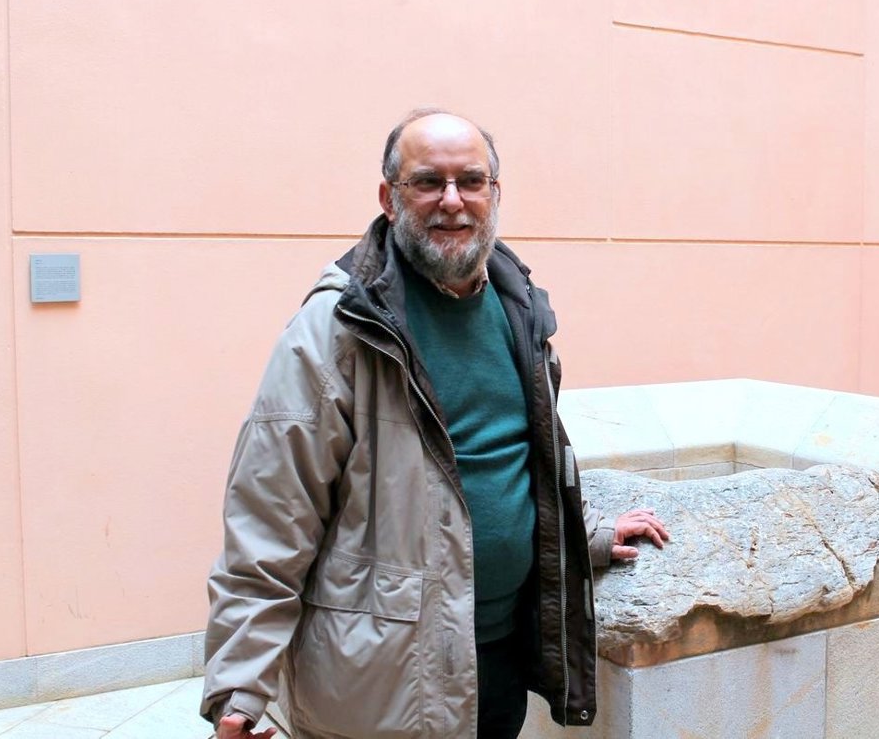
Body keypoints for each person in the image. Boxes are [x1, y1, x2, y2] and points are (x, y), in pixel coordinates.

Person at [201, 108, 669, 739]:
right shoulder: (339, 327)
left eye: (471, 181)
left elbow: (514, 460)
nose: (452, 200)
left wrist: (584, 535)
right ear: (389, 198)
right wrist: (240, 685)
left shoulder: (518, 306)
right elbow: (271, 514)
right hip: (382, 680)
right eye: (428, 182)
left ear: (494, 193)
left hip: (496, 660)